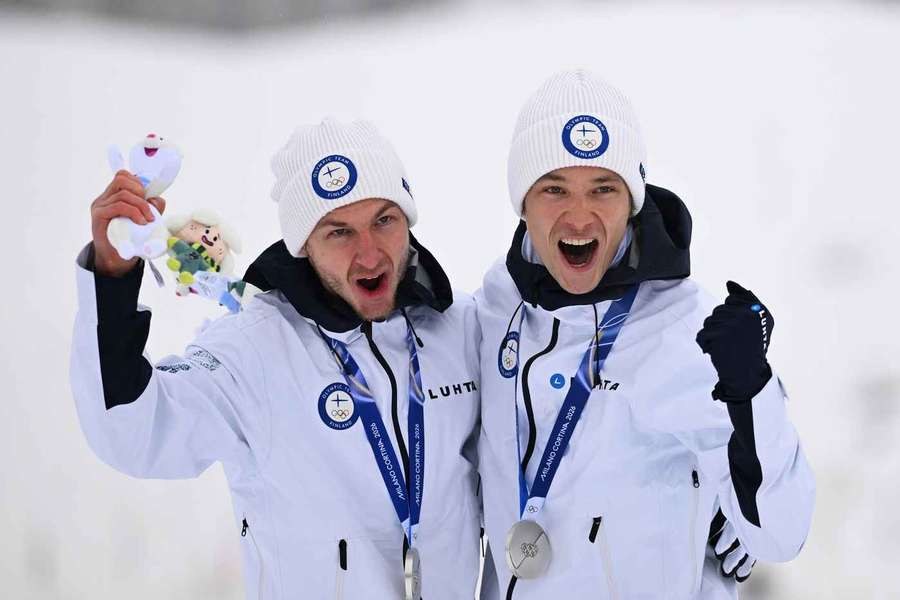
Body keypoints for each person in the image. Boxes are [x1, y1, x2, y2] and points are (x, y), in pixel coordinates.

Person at [71, 118, 483, 599]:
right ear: (303, 245)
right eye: (339, 232)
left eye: (384, 221)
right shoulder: (253, 348)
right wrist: (112, 277)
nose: (369, 254)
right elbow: (131, 431)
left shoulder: (461, 331)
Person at [474, 70, 815, 598]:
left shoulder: (686, 330)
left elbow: (781, 530)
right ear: (522, 202)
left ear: (633, 200)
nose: (579, 216)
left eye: (603, 188)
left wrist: (751, 391)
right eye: (554, 189)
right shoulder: (493, 310)